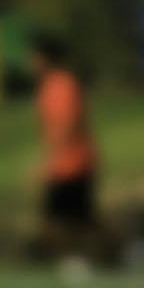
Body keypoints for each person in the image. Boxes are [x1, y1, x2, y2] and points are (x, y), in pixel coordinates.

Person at [31, 29, 100, 258]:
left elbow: (69, 123)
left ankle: (77, 259)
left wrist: (46, 158)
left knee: (73, 221)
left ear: (46, 58)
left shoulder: (62, 85)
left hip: (74, 163)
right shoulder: (48, 87)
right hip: (63, 164)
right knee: (73, 220)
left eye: (35, 56)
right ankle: (75, 259)